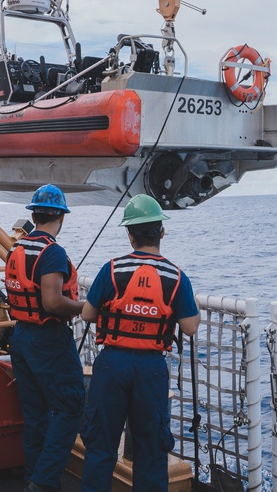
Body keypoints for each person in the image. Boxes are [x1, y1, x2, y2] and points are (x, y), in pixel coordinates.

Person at [80, 194, 200, 492]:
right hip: (151, 369)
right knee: (151, 451)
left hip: (112, 365)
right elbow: (190, 326)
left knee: (101, 446)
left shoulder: (111, 269)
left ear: (129, 235)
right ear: (161, 232)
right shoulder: (176, 276)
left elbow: (86, 314)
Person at [5, 184, 85, 492]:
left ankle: (32, 477)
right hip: (47, 339)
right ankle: (44, 482)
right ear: (61, 217)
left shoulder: (19, 247)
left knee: (36, 414)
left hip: (21, 337)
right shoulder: (52, 252)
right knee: (70, 407)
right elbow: (52, 303)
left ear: (34, 214)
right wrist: (87, 307)